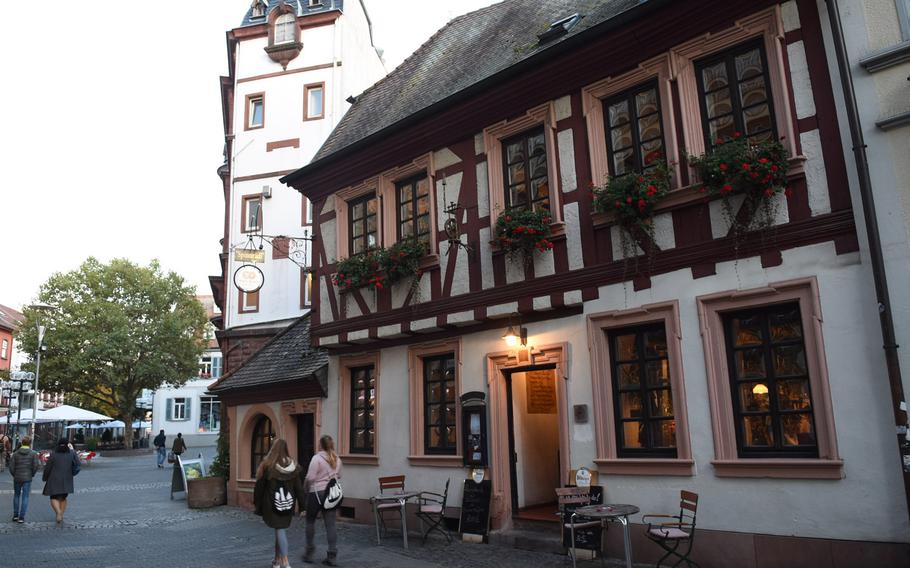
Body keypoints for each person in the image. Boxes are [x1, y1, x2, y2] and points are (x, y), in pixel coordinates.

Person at [253, 439, 304, 568]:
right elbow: (299, 488)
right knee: (279, 529)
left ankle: (285, 562)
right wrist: (302, 506)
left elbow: (259, 487)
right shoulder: (293, 467)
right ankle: (276, 560)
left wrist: (257, 504)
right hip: (288, 503)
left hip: (271, 504)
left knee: (279, 529)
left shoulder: (268, 465)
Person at [303, 435, 342, 566]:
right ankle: (332, 555)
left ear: (320, 445)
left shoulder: (316, 459)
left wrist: (305, 489)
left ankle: (309, 551)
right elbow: (339, 475)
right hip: (331, 494)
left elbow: (310, 478)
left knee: (310, 522)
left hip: (316, 493)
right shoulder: (337, 459)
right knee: (330, 525)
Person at [42, 437, 81, 524]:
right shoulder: (72, 453)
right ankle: (61, 515)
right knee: (63, 498)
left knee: (53, 497)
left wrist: (45, 477)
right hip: (67, 479)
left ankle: (58, 512)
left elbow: (48, 468)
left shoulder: (53, 454)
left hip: (54, 479)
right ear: (67, 444)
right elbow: (78, 464)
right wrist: (73, 473)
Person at [9, 435, 40, 523]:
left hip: (17, 477)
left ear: (22, 442)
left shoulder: (15, 453)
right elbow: (36, 466)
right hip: (27, 477)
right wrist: (32, 474)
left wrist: (14, 474)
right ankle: (21, 517)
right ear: (30, 443)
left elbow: (11, 467)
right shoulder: (33, 453)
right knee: (25, 497)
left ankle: (15, 515)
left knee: (17, 495)